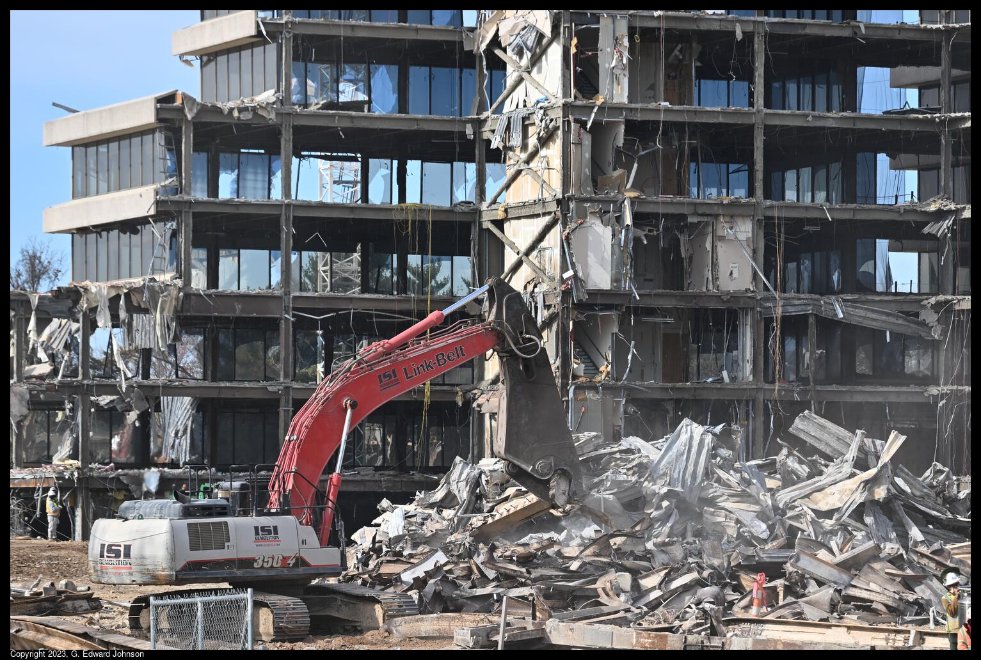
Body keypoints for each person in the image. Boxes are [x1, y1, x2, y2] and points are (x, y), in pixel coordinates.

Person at [941, 572, 961, 650]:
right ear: (949, 587)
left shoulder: (964, 596)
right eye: (954, 585)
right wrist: (956, 597)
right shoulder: (945, 598)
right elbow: (952, 613)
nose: (956, 587)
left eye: (957, 585)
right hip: (954, 631)